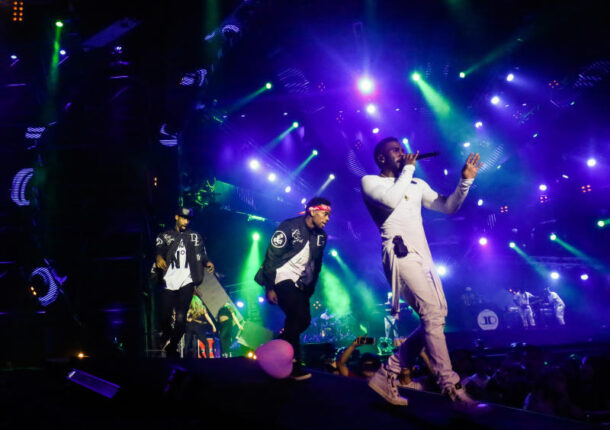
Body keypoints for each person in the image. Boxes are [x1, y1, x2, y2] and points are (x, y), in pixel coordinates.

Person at [361, 137, 481, 405]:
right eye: (395, 150)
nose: (402, 153)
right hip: (398, 253)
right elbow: (390, 200)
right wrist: (408, 169)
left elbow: (448, 206)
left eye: (402, 149)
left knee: (437, 315)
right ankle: (451, 387)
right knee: (432, 314)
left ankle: (388, 373)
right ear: (381, 158)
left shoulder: (416, 183)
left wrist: (465, 181)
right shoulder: (370, 182)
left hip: (423, 256)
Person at [255, 197, 331, 380]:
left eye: (329, 215)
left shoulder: (321, 236)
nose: (327, 218)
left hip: (300, 283)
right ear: (313, 211)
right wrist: (269, 287)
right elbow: (271, 256)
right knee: (297, 316)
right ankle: (294, 364)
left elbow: (317, 265)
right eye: (325, 214)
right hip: (280, 277)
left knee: (303, 320)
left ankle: (276, 347)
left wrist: (310, 288)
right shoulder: (289, 226)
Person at [155, 207, 215, 357]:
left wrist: (207, 262)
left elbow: (202, 254)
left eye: (188, 219)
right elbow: (158, 250)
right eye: (183, 218)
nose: (186, 221)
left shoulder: (195, 236)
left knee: (181, 317)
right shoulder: (165, 236)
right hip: (168, 280)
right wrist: (159, 258)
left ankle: (173, 346)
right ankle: (169, 337)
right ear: (176, 217)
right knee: (164, 317)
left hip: (187, 280)